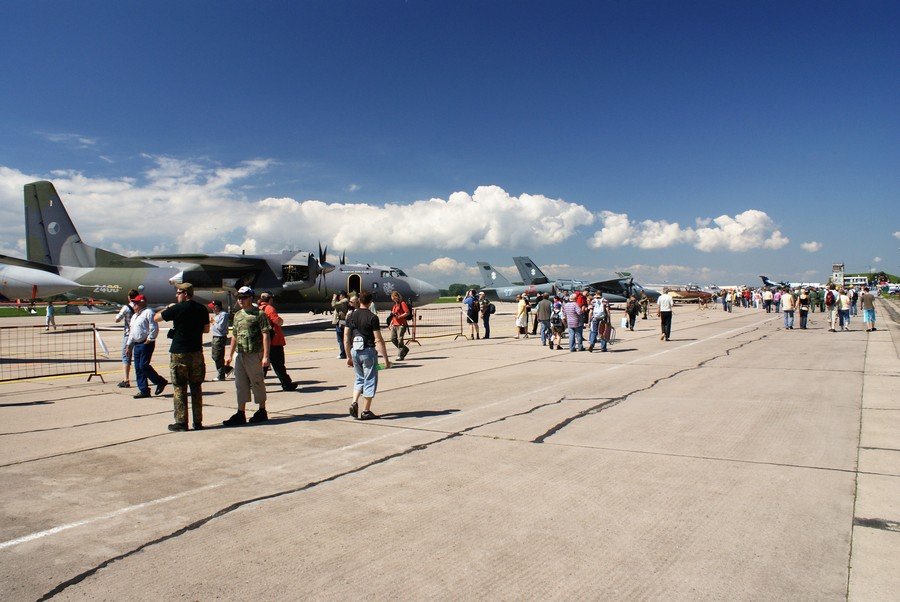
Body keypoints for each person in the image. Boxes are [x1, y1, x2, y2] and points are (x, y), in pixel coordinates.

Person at [155, 283, 209, 432]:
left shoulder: (177, 308)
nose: (176, 295)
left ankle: (181, 422)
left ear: (185, 294)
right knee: (196, 387)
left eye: (179, 293)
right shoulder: (202, 308)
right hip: (196, 352)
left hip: (179, 352)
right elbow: (206, 329)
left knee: (179, 387)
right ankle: (198, 422)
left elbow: (156, 318)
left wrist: (168, 308)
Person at [223, 286, 271, 426]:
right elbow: (235, 335)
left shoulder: (259, 314)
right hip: (241, 354)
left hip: (254, 354)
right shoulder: (238, 315)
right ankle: (240, 412)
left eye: (243, 297)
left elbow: (266, 334)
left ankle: (262, 410)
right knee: (240, 384)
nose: (240, 300)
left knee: (257, 382)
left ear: (251, 298)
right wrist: (229, 354)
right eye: (239, 298)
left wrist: (266, 356)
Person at [344, 290, 391, 420]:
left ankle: (354, 402)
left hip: (355, 351)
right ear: (370, 302)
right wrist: (386, 360)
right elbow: (378, 339)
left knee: (359, 378)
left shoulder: (350, 316)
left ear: (359, 300)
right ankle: (366, 411)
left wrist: (348, 356)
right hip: (368, 351)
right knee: (370, 379)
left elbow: (346, 337)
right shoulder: (372, 317)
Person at [128, 295, 168, 399]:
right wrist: (129, 345)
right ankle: (144, 390)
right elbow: (132, 332)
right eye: (134, 303)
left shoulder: (149, 312)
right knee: (138, 368)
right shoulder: (135, 316)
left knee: (143, 366)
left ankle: (160, 381)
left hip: (145, 343)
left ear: (143, 302)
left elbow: (154, 327)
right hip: (136, 344)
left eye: (136, 303)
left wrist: (150, 339)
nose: (134, 305)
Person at [258, 292, 297, 391]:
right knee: (278, 365)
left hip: (264, 341)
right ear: (270, 299)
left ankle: (256, 384)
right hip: (275, 341)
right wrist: (281, 321)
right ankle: (287, 384)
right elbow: (277, 321)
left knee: (264, 365)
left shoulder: (259, 309)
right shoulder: (269, 308)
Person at [114, 289, 140, 388]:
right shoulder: (140, 307)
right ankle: (141, 378)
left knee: (126, 356)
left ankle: (126, 379)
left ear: (129, 297)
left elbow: (117, 319)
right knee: (139, 357)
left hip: (128, 334)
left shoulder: (126, 307)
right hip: (139, 335)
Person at [208, 300, 232, 381]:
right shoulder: (217, 315)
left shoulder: (223, 315)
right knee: (215, 356)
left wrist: (213, 322)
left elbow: (220, 327)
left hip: (220, 337)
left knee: (218, 356)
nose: (212, 309)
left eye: (213, 307)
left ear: (217, 307)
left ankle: (221, 375)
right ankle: (226, 370)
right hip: (215, 337)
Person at [388, 291, 412, 360]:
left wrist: (400, 316)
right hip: (394, 324)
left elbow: (407, 312)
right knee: (393, 339)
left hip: (401, 325)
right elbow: (393, 315)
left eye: (394, 298)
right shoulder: (395, 305)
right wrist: (391, 323)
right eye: (392, 299)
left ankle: (400, 355)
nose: (393, 300)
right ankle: (405, 349)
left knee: (400, 340)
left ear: (397, 297)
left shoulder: (402, 303)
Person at [331, 292, 349, 359]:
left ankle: (343, 354)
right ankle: (345, 353)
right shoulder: (343, 301)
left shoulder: (344, 301)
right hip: (341, 322)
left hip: (341, 323)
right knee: (342, 339)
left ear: (343, 295)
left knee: (341, 339)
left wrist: (334, 298)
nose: (339, 297)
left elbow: (333, 304)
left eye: (340, 295)